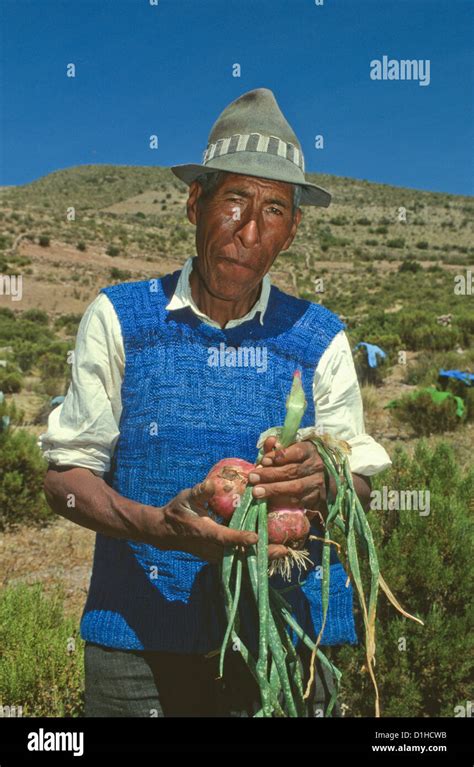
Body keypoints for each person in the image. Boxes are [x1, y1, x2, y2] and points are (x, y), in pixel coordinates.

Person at [41, 88, 391, 717]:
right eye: (234, 199)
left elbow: (360, 486)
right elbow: (64, 479)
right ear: (195, 202)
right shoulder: (120, 318)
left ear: (292, 230)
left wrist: (326, 481)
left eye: (274, 210)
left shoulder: (321, 336)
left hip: (289, 645)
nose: (250, 231)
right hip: (139, 651)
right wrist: (158, 528)